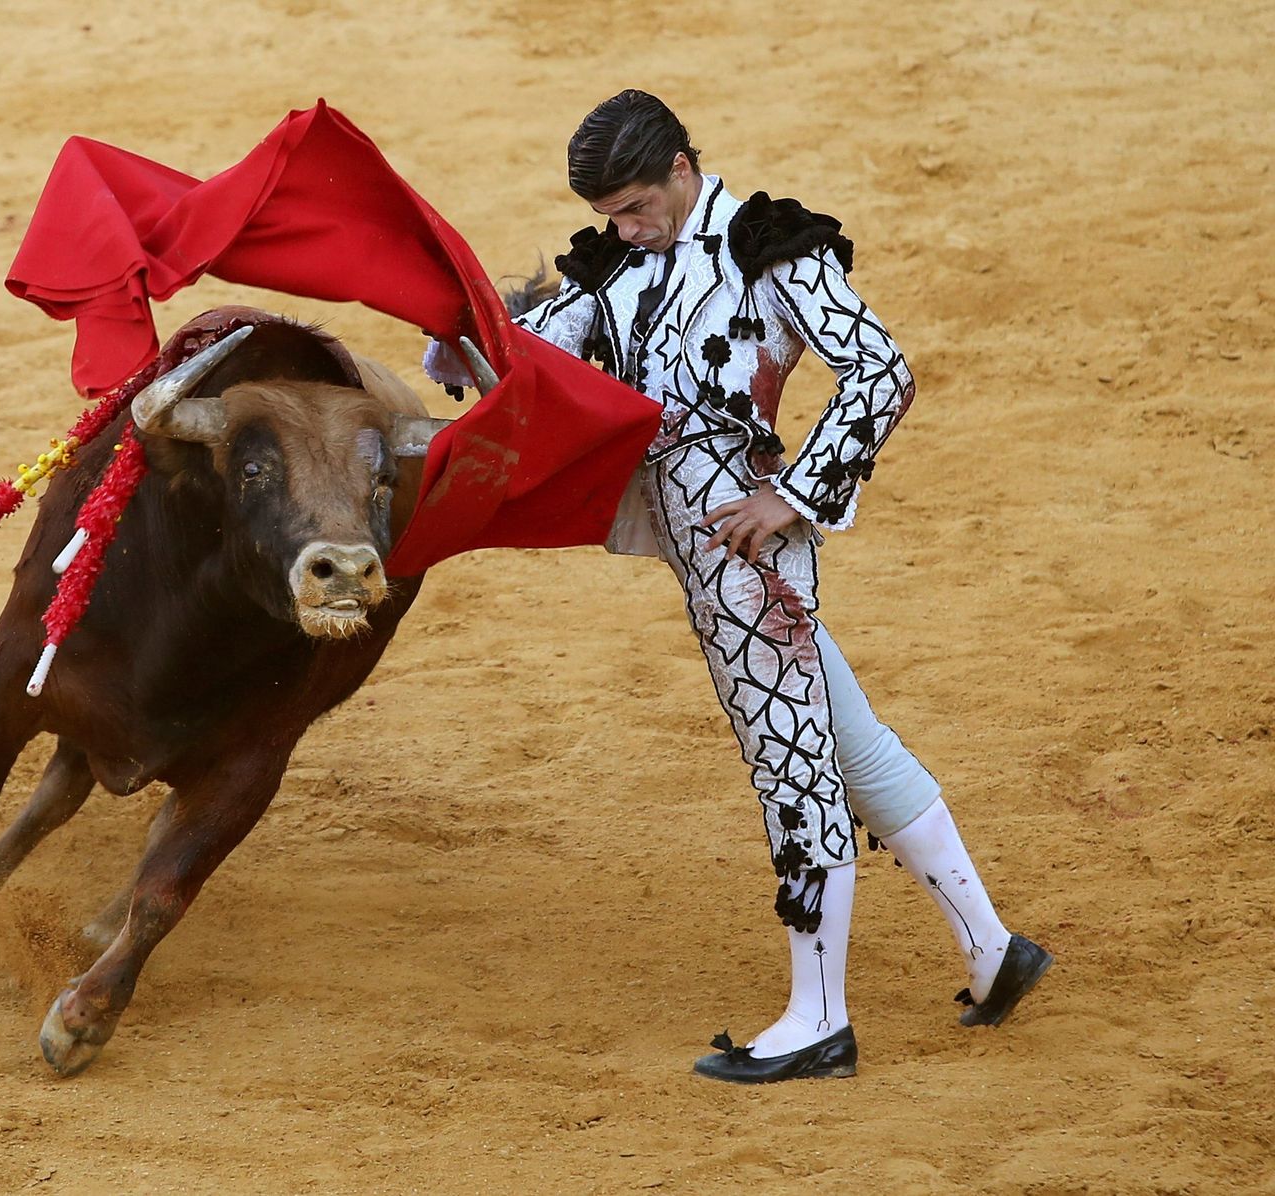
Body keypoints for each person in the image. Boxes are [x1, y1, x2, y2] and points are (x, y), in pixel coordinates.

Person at [425, 89, 1052, 1083]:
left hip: (750, 559)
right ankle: (991, 948)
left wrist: (794, 497)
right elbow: (546, 351)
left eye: (634, 206)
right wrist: (465, 334)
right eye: (608, 217)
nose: (622, 230)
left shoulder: (768, 249)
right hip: (698, 551)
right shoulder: (624, 258)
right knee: (848, 744)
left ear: (681, 168)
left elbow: (880, 372)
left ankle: (819, 1018)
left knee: (791, 766)